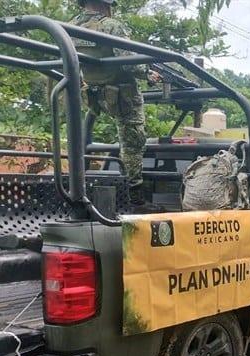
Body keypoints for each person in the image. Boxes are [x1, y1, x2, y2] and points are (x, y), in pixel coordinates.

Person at [70, 0, 160, 207]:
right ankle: (135, 197)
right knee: (132, 144)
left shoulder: (69, 26)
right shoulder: (111, 26)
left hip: (95, 95)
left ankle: (81, 189)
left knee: (84, 137)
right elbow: (128, 60)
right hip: (123, 96)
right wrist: (148, 73)